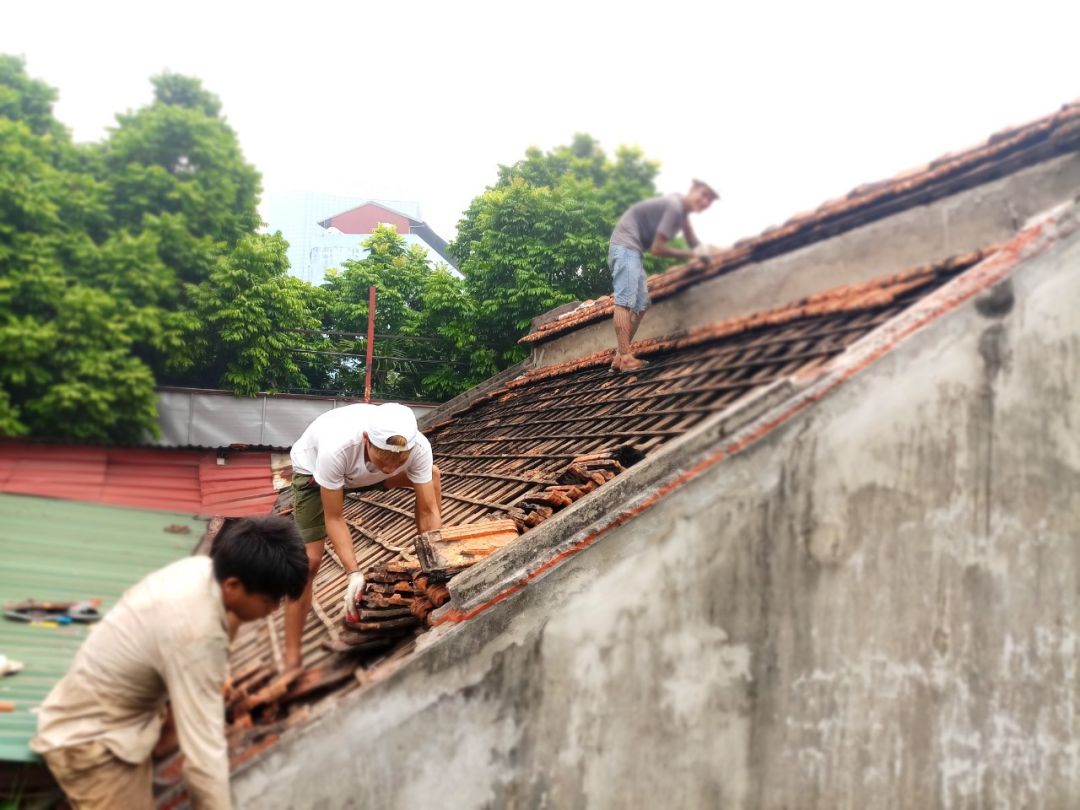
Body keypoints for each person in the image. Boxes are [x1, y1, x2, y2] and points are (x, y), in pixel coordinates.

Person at [31, 516, 309, 810]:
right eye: (268, 601)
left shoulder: (199, 570)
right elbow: (204, 759)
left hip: (108, 714)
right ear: (232, 586)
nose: (273, 610)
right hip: (91, 743)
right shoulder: (197, 634)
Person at [284, 401, 441, 673]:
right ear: (367, 439)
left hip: (361, 473)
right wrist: (353, 573)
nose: (390, 469)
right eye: (384, 461)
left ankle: (432, 564)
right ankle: (291, 655)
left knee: (432, 476)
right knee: (308, 562)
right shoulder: (337, 448)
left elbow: (428, 510)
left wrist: (437, 561)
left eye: (399, 462)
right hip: (316, 476)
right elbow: (334, 518)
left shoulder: (418, 448)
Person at [608, 179, 720, 371]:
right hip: (625, 246)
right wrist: (693, 255)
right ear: (692, 189)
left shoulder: (681, 211)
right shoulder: (675, 207)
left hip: (633, 250)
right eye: (703, 195)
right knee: (625, 301)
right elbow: (658, 249)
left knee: (641, 305)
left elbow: (691, 238)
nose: (704, 202)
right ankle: (626, 358)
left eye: (708, 200)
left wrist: (707, 255)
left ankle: (619, 357)